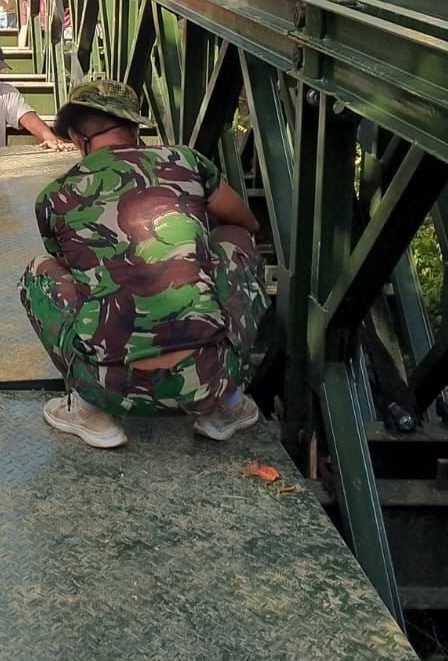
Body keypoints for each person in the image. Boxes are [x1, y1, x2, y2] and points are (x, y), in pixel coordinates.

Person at [20, 80, 266, 448]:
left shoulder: (53, 195)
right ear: (135, 128)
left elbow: (70, 267)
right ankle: (227, 405)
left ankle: (89, 410)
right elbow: (246, 222)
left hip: (108, 387)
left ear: (75, 137)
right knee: (236, 239)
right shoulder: (186, 161)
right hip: (207, 379)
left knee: (39, 273)